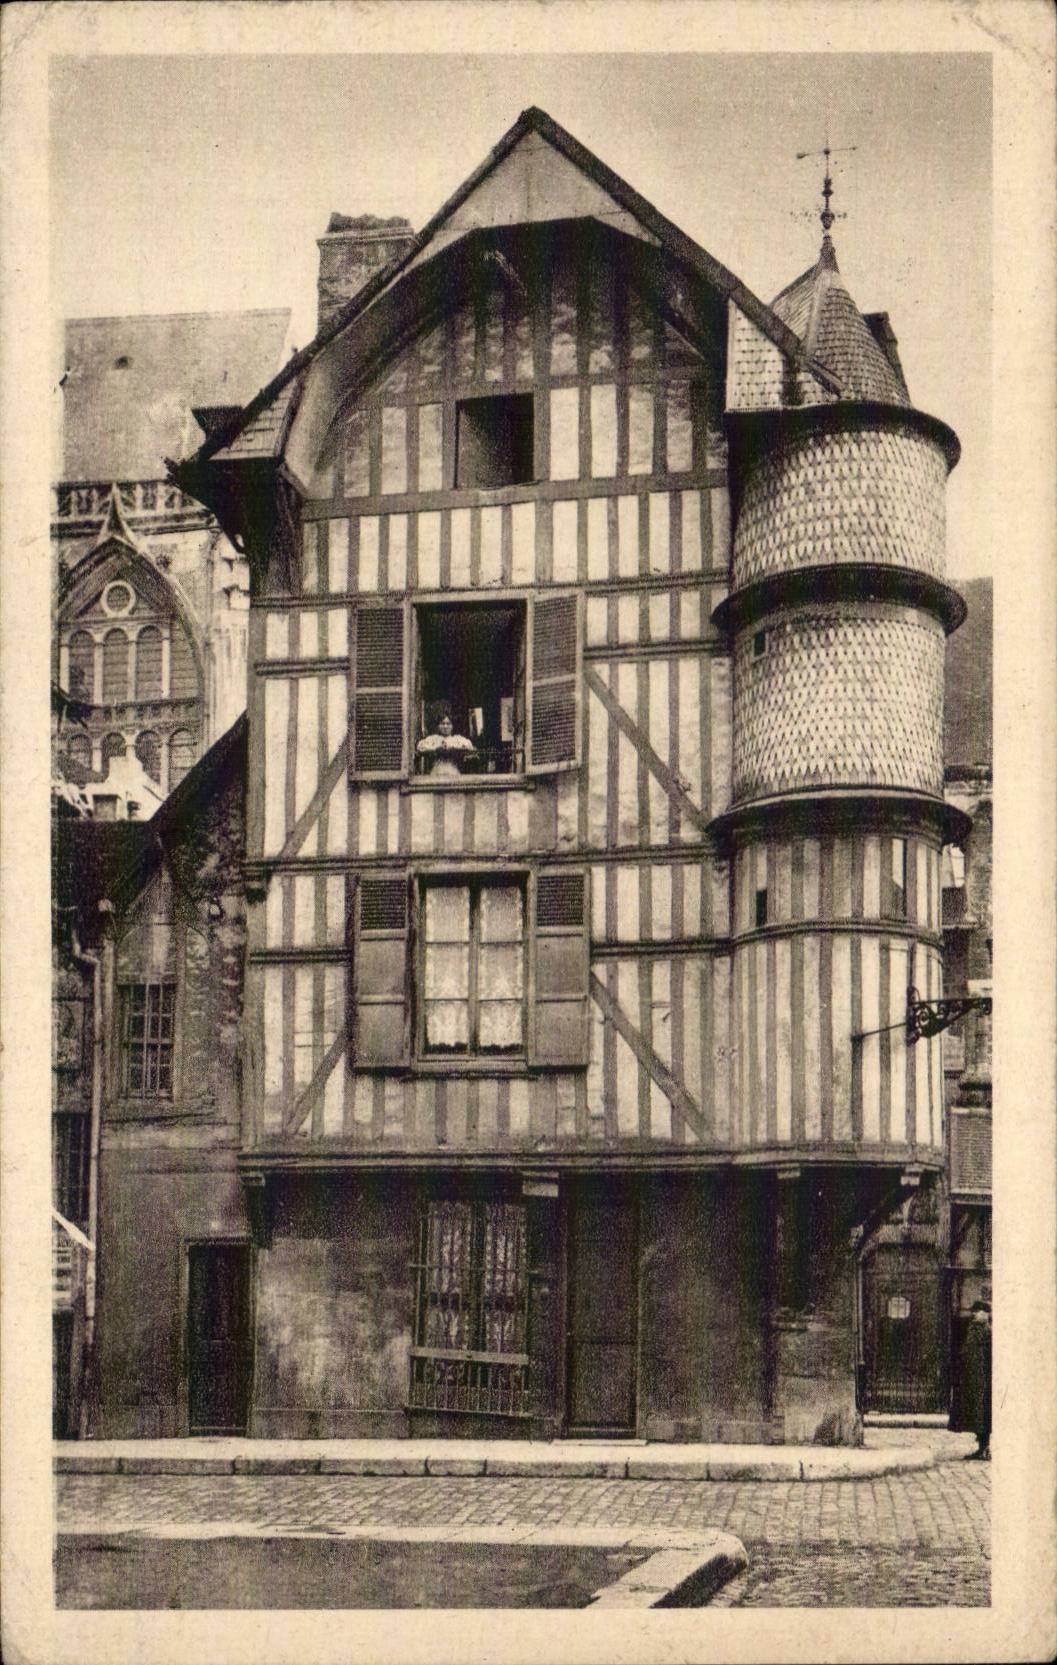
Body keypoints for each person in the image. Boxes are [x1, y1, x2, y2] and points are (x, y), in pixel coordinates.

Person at [964, 1300, 992, 1459]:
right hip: (973, 1377)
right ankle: (982, 1447)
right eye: (973, 1311)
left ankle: (985, 1447)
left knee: (982, 1414)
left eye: (977, 1311)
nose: (974, 1314)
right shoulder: (974, 1328)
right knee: (977, 1414)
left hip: (982, 1379)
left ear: (985, 1313)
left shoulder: (986, 1330)